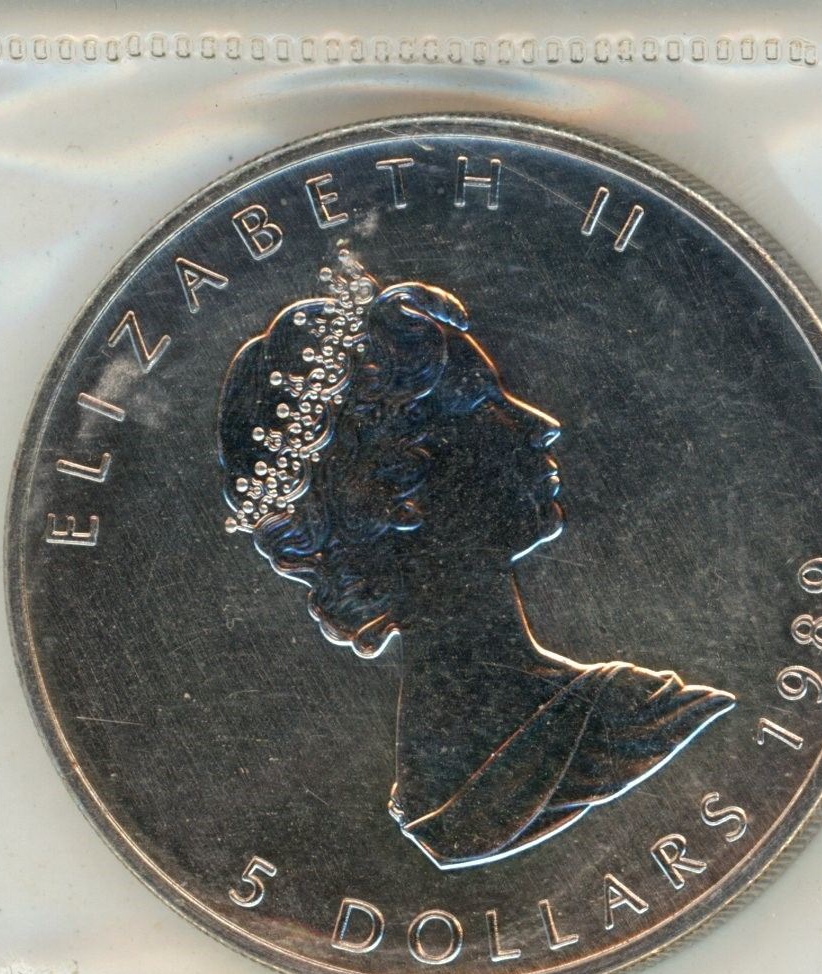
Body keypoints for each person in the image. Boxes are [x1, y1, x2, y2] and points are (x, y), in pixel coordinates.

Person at [216, 250, 735, 870]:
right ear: (402, 485)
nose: (541, 424)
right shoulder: (630, 722)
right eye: (486, 402)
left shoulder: (438, 781)